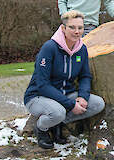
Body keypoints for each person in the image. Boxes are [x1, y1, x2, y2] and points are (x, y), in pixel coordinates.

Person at [24, 10, 105, 149]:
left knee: (98, 104)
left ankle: (57, 122)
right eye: (72, 27)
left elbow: (85, 76)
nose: (77, 31)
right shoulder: (49, 48)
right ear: (63, 28)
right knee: (58, 112)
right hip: (38, 97)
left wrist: (83, 97)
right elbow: (42, 85)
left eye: (80, 28)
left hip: (65, 95)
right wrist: (70, 104)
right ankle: (41, 128)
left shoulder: (81, 49)